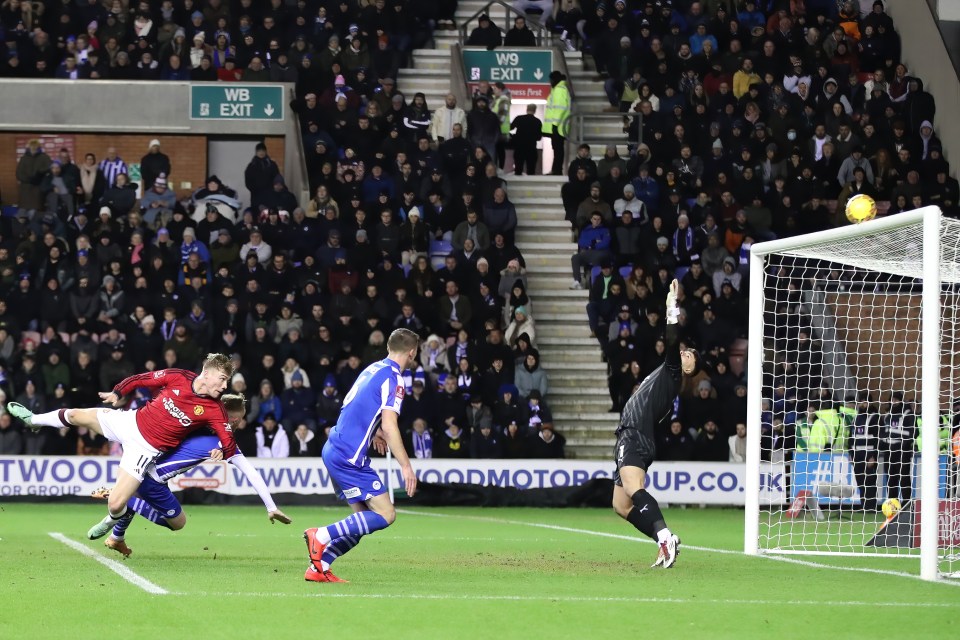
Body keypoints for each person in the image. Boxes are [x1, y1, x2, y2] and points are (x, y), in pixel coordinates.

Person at [8, 353, 237, 541]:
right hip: (129, 422)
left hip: (144, 450)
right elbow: (140, 379)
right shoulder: (178, 377)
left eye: (227, 381)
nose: (225, 385)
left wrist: (222, 451)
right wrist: (118, 392)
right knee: (77, 414)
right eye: (223, 378)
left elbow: (229, 441)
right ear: (207, 374)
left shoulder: (215, 409)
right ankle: (33, 420)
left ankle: (111, 520)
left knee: (116, 503)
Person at [96, 393, 291, 557]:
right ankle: (126, 499)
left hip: (141, 467)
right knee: (178, 522)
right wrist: (271, 507)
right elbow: (251, 473)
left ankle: (116, 537)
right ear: (234, 420)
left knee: (142, 496)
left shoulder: (193, 423)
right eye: (241, 418)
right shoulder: (225, 443)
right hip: (152, 480)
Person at [302, 328, 419, 583]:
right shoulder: (395, 378)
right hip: (349, 456)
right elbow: (391, 425)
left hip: (334, 447)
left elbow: (353, 405)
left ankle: (319, 566)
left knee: (363, 519)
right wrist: (406, 467)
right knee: (386, 514)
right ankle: (320, 535)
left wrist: (373, 431)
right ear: (412, 352)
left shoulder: (373, 369)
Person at [612, 279, 694, 568]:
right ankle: (664, 537)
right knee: (621, 505)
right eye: (686, 352)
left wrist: (672, 306)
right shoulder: (664, 374)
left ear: (686, 370)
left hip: (635, 437)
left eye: (689, 357)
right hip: (630, 436)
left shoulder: (673, 373)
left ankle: (664, 536)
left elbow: (673, 339)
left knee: (635, 490)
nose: (685, 353)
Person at [542, 71, 571, 175]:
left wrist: (555, 124)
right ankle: (556, 169)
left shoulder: (559, 90)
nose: (550, 82)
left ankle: (557, 170)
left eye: (551, 80)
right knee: (557, 149)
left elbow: (560, 108)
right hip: (558, 127)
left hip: (558, 127)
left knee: (558, 150)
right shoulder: (558, 89)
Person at [510, 104, 542, 176]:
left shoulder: (519, 118)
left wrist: (514, 137)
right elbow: (538, 137)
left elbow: (510, 129)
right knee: (531, 170)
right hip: (531, 148)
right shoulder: (537, 121)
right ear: (535, 111)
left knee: (518, 169)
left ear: (526, 109)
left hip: (519, 147)